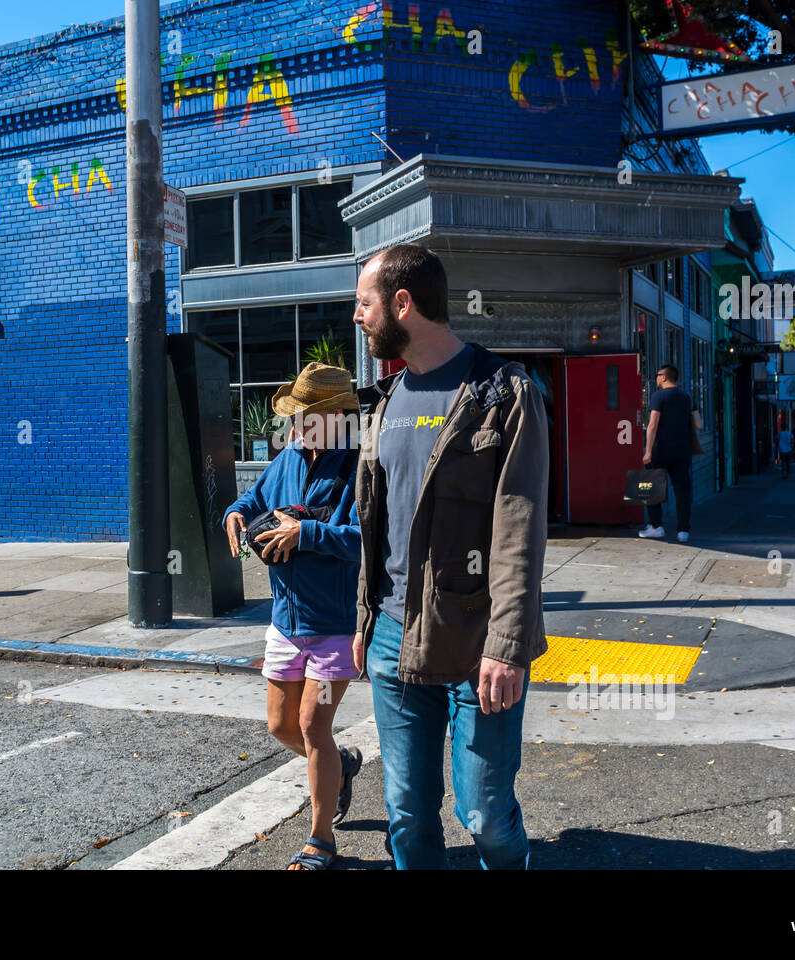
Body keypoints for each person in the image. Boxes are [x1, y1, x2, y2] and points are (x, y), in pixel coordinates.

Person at [351, 243, 549, 870]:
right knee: (407, 812)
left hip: (477, 640)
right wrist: (364, 619)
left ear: (402, 304)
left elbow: (519, 526)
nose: (357, 316)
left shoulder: (503, 392)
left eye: (364, 302)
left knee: (486, 812)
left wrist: (507, 645)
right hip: (391, 636)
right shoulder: (383, 403)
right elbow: (373, 525)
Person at [222, 362, 364, 870]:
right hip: (285, 621)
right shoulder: (285, 460)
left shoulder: (362, 466)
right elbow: (249, 499)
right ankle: (342, 766)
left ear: (338, 417)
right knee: (281, 726)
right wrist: (235, 515)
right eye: (298, 415)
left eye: (309, 416)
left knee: (311, 725)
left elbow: (369, 541)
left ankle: (320, 840)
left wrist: (305, 534)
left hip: (334, 626)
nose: (299, 425)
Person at [638, 364, 698, 543]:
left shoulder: (659, 396)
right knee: (682, 491)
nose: (656, 378)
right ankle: (683, 531)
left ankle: (656, 527)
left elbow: (653, 424)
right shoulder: (687, 397)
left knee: (649, 487)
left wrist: (647, 450)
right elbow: (699, 424)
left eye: (657, 375)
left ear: (663, 377)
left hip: (661, 450)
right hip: (682, 450)